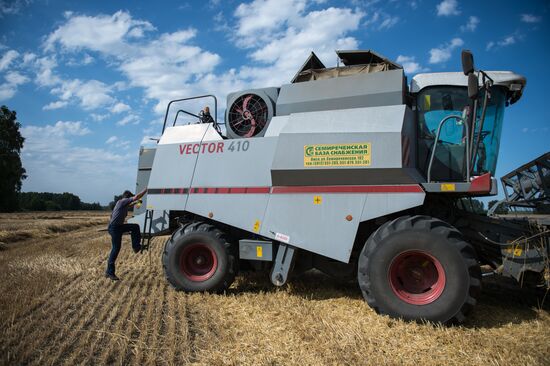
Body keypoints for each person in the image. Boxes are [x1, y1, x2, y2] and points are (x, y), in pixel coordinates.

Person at [105, 188, 147, 281]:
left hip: (118, 226)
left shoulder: (123, 204)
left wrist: (139, 202)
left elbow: (134, 203)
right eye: (130, 197)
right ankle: (109, 272)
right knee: (116, 249)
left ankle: (136, 246)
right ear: (127, 197)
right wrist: (145, 190)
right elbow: (136, 198)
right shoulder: (122, 201)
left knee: (135, 227)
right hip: (115, 228)